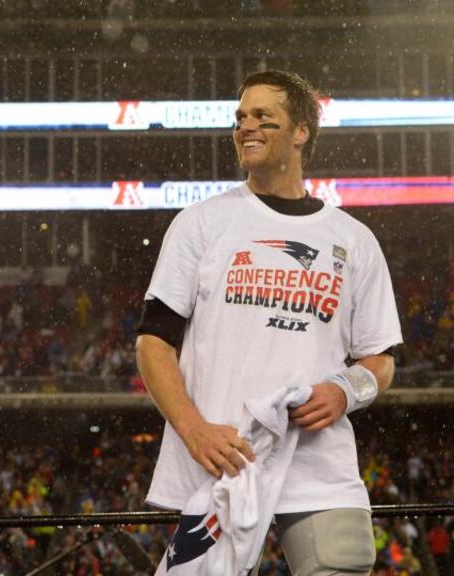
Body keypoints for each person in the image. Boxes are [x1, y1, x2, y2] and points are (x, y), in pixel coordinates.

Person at [135, 69, 402, 575]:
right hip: (223, 457)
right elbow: (153, 344)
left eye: (263, 116)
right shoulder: (201, 223)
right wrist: (193, 430)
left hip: (319, 461)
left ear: (301, 131)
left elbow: (380, 359)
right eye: (240, 118)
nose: (245, 127)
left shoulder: (354, 239)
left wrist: (346, 390)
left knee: (343, 564)